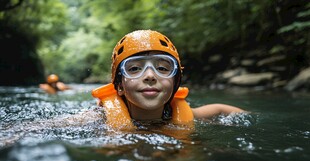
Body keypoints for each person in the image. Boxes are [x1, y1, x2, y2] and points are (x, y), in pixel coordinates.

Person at [91, 30, 245, 131]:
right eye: (134, 69)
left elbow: (219, 109)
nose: (150, 75)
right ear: (119, 86)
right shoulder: (98, 119)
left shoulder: (188, 114)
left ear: (175, 82)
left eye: (163, 68)